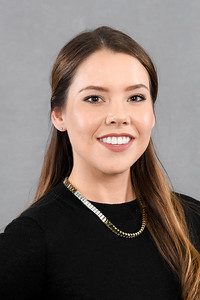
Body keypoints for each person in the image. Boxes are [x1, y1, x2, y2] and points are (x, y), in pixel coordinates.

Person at [0, 26, 199, 300]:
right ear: (59, 115)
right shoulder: (29, 241)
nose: (118, 116)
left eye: (136, 97)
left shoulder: (192, 219)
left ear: (152, 114)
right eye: (94, 98)